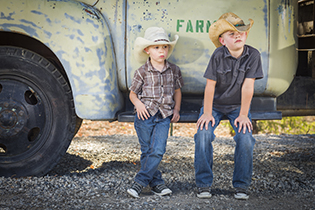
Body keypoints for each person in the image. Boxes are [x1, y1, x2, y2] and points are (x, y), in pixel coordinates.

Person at [194, 12, 263, 200]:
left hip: (237, 107)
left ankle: (241, 185)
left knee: (245, 138)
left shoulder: (253, 55)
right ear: (222, 41)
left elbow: (248, 87)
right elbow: (210, 86)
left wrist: (243, 114)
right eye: (231, 34)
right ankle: (203, 184)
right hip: (215, 105)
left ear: (246, 35)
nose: (238, 35)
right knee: (203, 134)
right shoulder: (218, 55)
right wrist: (207, 112)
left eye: (241, 32)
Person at [127, 27, 184, 198]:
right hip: (145, 115)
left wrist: (177, 109)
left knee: (157, 150)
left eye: (165, 47)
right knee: (147, 151)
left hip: (164, 115)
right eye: (157, 47)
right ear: (147, 50)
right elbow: (132, 93)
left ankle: (139, 183)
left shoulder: (174, 70)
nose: (161, 51)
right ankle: (157, 184)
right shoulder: (142, 72)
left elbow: (177, 91)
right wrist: (138, 104)